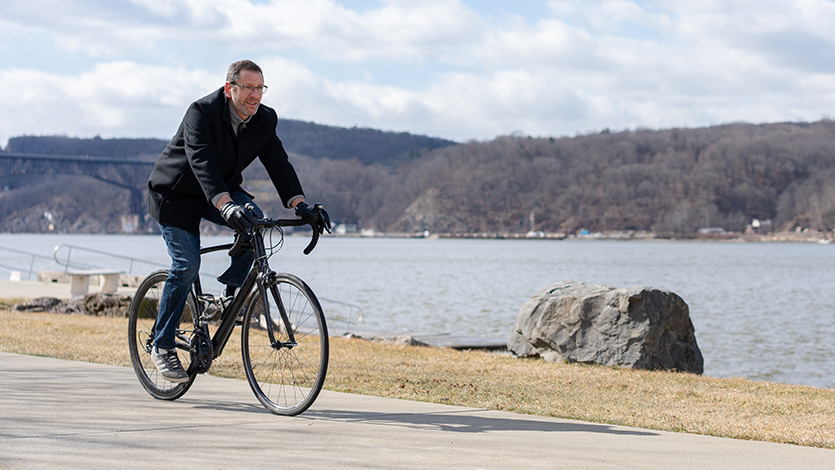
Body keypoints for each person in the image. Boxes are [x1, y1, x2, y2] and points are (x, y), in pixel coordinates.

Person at [146, 59, 323, 382]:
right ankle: (162, 344)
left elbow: (278, 162)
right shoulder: (201, 112)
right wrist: (226, 205)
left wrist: (300, 204)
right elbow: (201, 162)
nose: (256, 96)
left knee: (255, 222)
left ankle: (230, 299)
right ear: (230, 89)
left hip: (221, 192)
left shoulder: (265, 119)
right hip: (175, 194)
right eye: (249, 88)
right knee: (186, 265)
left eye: (260, 88)